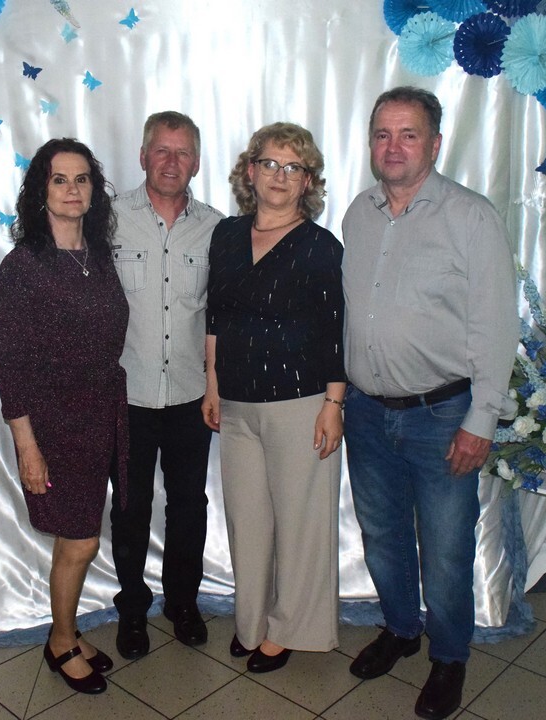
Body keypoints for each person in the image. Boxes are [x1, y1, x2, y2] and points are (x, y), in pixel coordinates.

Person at [341, 87, 518, 719]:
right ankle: (400, 629)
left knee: (445, 548)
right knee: (382, 535)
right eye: (382, 134)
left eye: (408, 134)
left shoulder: (471, 217)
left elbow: (496, 326)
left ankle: (448, 658)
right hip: (366, 411)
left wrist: (482, 419)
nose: (393, 147)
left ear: (435, 144)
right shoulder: (358, 215)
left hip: (442, 415)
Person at [202, 122, 345, 674]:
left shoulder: (320, 246)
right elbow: (216, 317)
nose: (280, 176)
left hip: (301, 404)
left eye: (293, 167)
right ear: (250, 170)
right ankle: (252, 622)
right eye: (270, 163)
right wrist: (213, 384)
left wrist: (333, 405)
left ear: (307, 181)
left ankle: (292, 630)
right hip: (237, 404)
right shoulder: (227, 235)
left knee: (301, 524)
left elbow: (336, 331)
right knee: (249, 523)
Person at [0, 138, 129, 695]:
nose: (72, 190)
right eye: (59, 179)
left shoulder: (99, 257)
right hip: (54, 425)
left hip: (101, 417)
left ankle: (65, 631)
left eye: (82, 179)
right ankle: (61, 642)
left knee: (83, 535)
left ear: (94, 190)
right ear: (40, 192)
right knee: (79, 541)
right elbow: (8, 361)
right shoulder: (24, 266)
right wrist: (27, 445)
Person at [109, 111, 223, 658]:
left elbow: (220, 315)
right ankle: (132, 610)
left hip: (189, 395)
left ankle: (183, 603)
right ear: (143, 156)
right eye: (162, 150)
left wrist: (217, 385)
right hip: (126, 395)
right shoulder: (107, 221)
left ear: (196, 162)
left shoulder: (217, 228)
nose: (171, 162)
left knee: (188, 506)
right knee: (130, 508)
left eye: (182, 153)